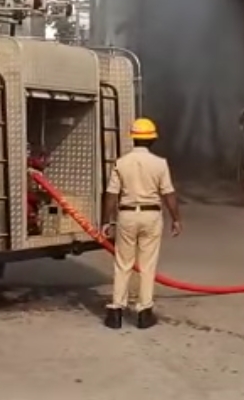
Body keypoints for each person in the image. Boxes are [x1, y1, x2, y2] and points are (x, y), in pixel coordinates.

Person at [101, 117, 182, 330]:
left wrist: (106, 221)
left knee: (123, 264)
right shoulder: (160, 164)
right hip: (151, 216)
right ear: (152, 140)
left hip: (126, 215)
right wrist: (176, 219)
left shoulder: (121, 163)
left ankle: (116, 311)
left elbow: (111, 194)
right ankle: (144, 313)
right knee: (147, 266)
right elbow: (169, 193)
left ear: (133, 138)